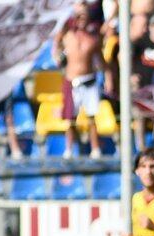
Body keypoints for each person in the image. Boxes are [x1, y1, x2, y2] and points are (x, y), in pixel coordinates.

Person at [56, 1, 103, 159]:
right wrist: (57, 55)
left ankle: (95, 149)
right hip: (72, 81)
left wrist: (109, 76)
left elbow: (100, 60)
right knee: (70, 118)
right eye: (79, 16)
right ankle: (69, 149)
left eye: (84, 16)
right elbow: (57, 37)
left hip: (89, 80)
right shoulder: (68, 35)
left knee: (91, 117)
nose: (81, 19)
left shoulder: (93, 38)